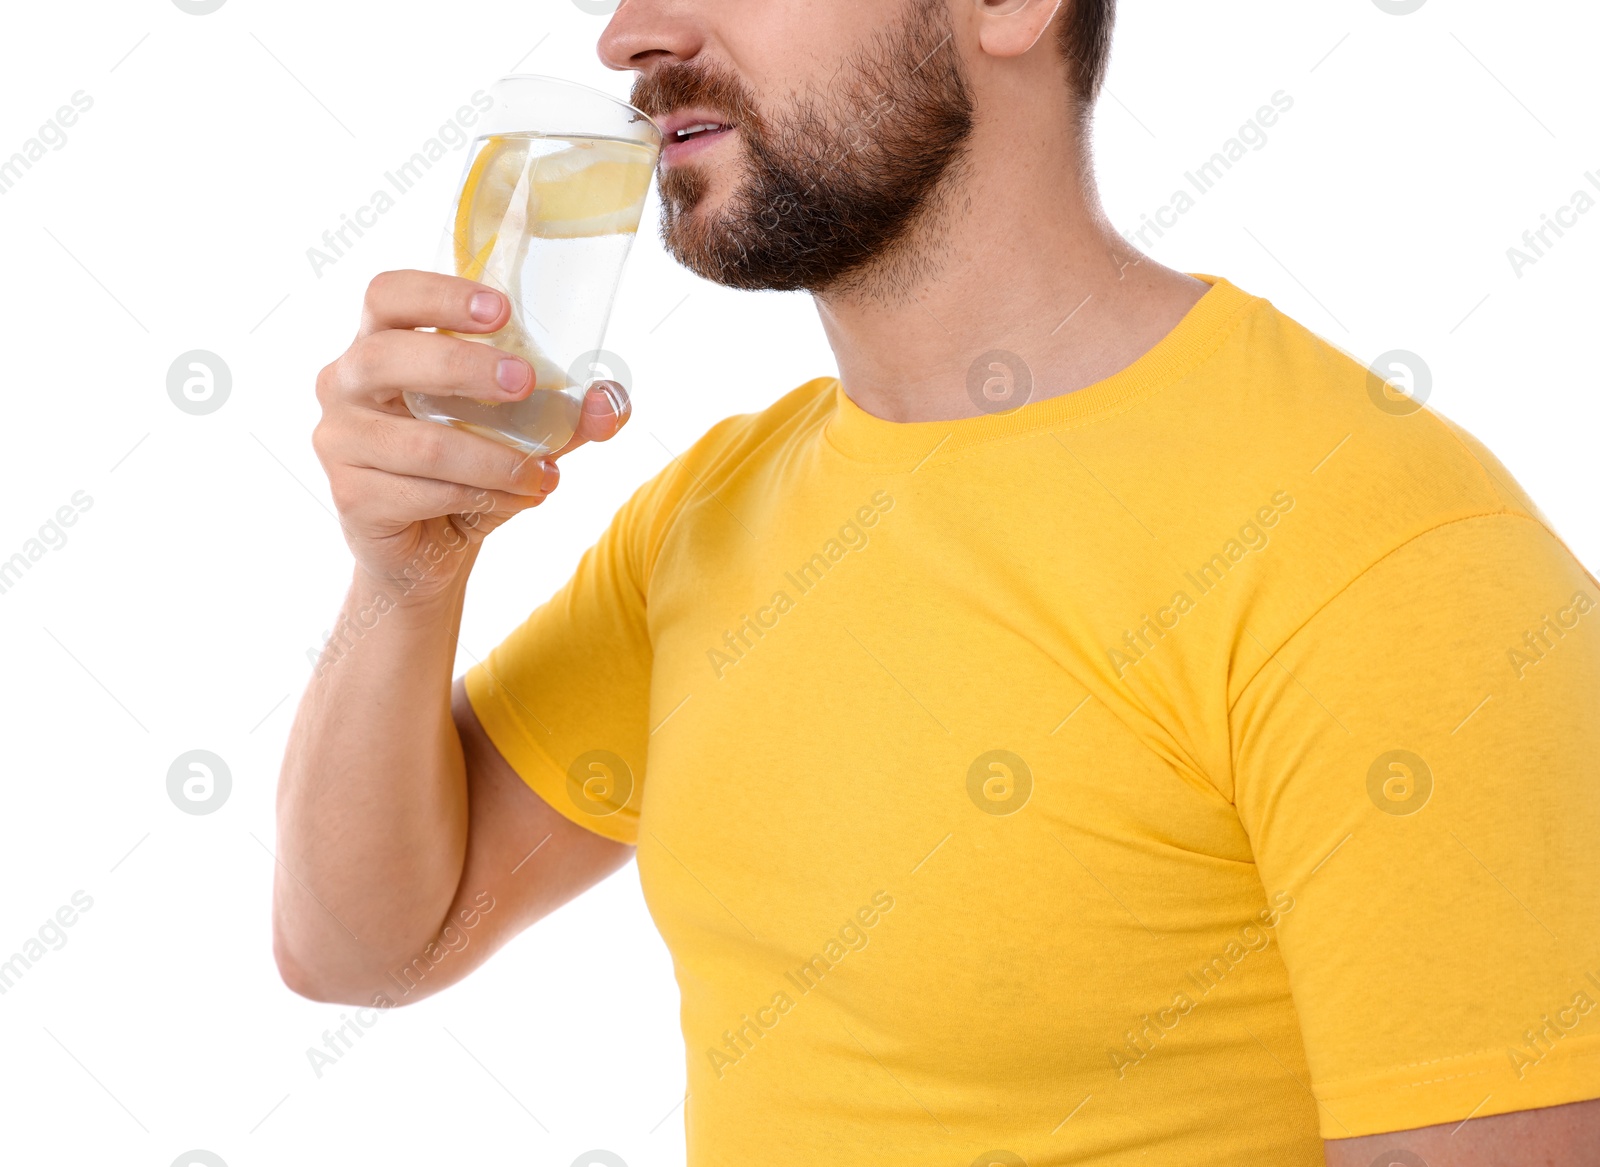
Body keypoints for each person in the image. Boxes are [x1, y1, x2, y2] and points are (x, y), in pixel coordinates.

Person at [273, 1, 1600, 1162]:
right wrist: (403, 582)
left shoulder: (1379, 555)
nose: (629, 34)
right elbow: (369, 947)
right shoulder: (712, 517)